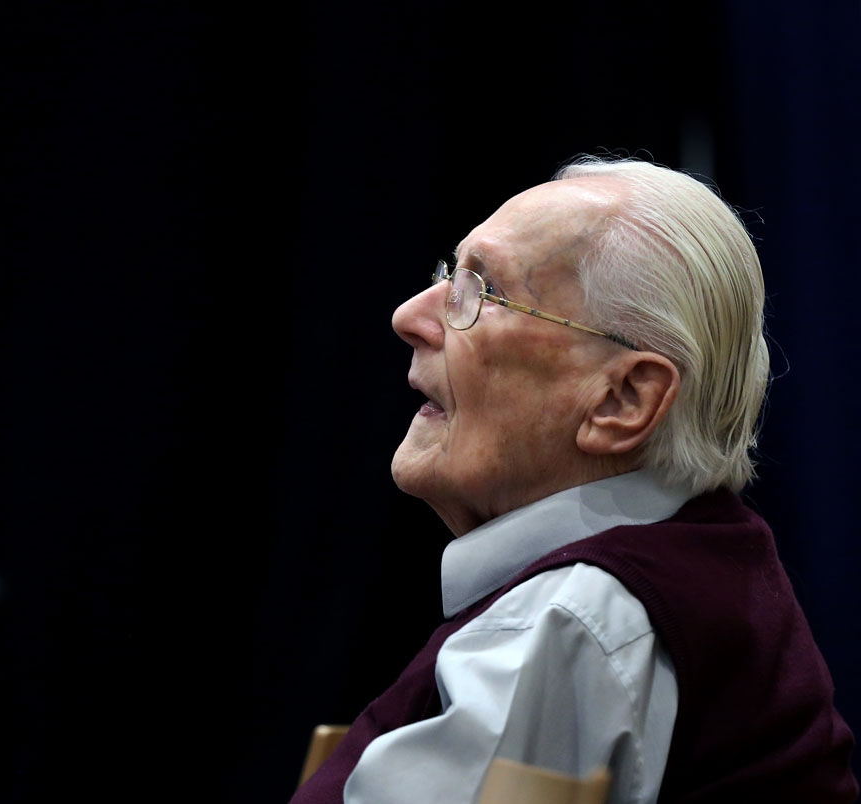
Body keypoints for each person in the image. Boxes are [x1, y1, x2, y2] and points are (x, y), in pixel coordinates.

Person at [290, 153, 858, 803]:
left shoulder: (573, 619)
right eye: (451, 273)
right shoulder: (703, 556)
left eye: (483, 291)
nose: (411, 317)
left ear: (622, 400)